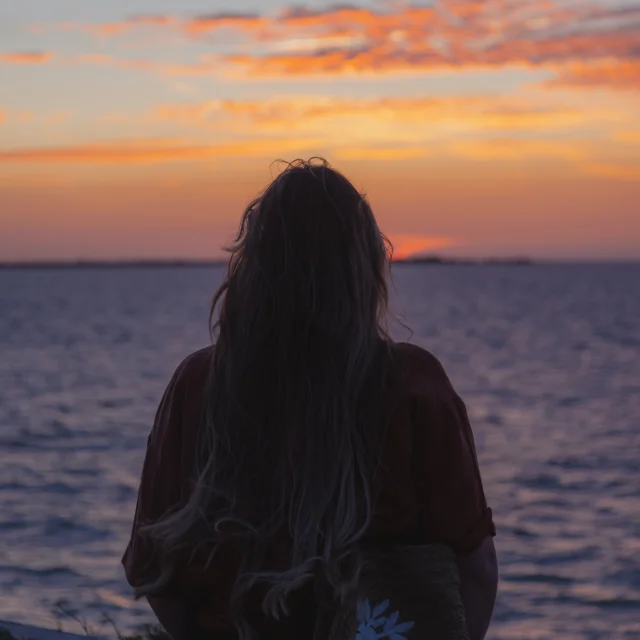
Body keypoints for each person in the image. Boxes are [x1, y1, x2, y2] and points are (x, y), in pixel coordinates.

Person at [122, 158, 498, 640]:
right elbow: (476, 569)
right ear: (363, 268)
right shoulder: (412, 386)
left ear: (253, 264)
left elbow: (153, 568)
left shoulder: (198, 385)